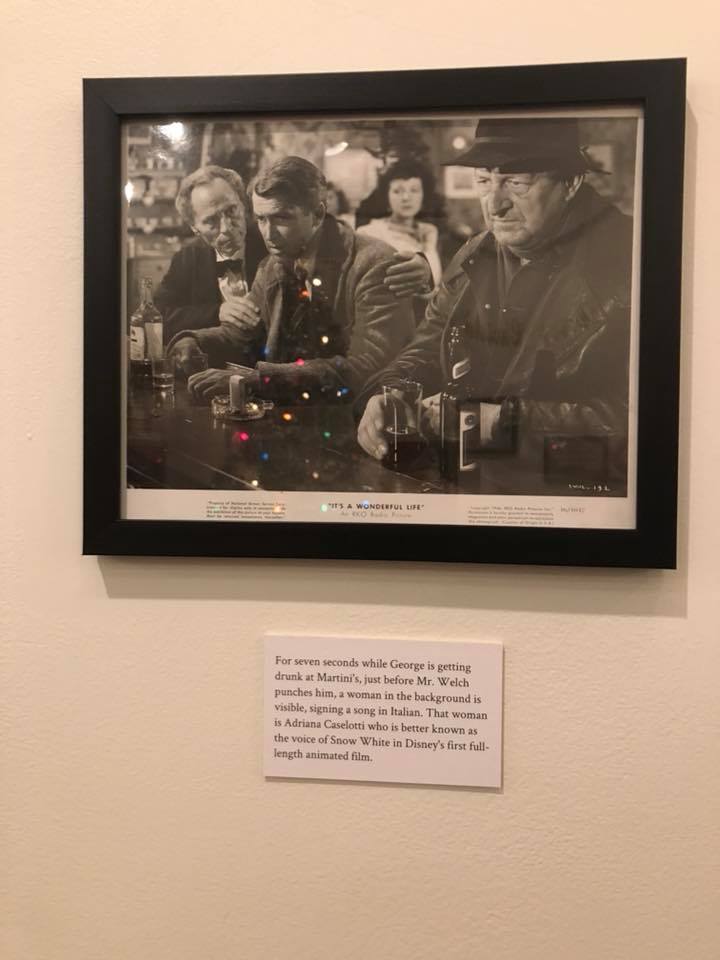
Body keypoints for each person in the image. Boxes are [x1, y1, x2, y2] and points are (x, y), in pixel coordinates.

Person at [356, 117, 633, 492]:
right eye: (484, 181)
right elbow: (426, 348)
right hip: (470, 482)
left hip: (569, 498)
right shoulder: (476, 252)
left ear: (571, 183)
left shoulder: (630, 259)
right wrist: (390, 395)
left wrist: (503, 424)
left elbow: (643, 423)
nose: (495, 205)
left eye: (516, 183)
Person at [168, 156, 418, 404]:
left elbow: (368, 367)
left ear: (318, 214)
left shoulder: (374, 264)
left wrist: (259, 381)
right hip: (294, 414)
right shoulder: (272, 265)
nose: (268, 234)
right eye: (261, 219)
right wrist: (193, 341)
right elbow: (242, 334)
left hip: (361, 418)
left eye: (282, 218)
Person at [155, 165, 268, 340]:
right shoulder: (187, 258)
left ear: (243, 205)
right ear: (195, 228)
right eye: (211, 221)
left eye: (231, 211)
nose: (226, 228)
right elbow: (157, 316)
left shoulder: (270, 244)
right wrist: (217, 313)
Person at [356, 160, 442, 287]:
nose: (406, 197)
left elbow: (436, 278)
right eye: (397, 191)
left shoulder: (429, 231)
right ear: (386, 197)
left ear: (424, 195)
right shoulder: (369, 232)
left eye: (414, 190)